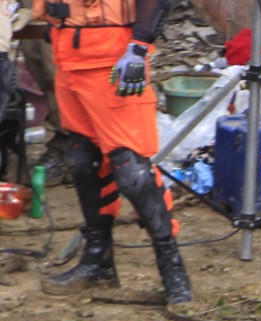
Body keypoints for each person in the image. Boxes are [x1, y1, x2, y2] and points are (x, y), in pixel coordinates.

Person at [33, 0, 189, 303]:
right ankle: (97, 263)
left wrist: (140, 47)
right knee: (84, 162)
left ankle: (174, 272)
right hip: (68, 60)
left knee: (132, 172)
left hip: (114, 61)